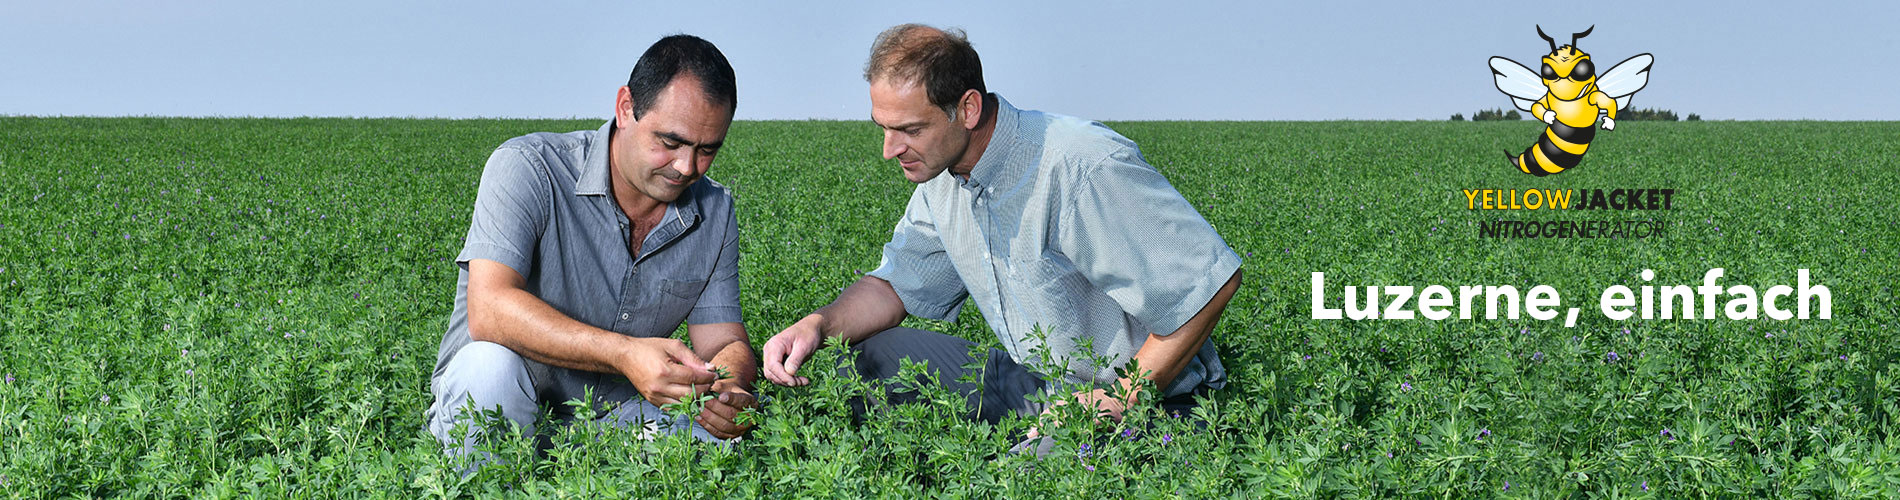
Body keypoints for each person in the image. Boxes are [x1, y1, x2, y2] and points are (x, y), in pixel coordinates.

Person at [761, 24, 1243, 440]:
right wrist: (817, 325)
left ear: (968, 109)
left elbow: (1208, 285)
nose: (890, 149)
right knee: (864, 358)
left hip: (1153, 403)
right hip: (1043, 387)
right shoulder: (943, 179)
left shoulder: (1079, 164)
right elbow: (895, 285)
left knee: (1025, 480)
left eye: (909, 129)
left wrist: (1122, 398)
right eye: (882, 127)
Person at [425, 35, 757, 464]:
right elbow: (488, 309)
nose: (686, 167)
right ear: (625, 108)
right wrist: (624, 354)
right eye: (670, 142)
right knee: (487, 371)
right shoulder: (529, 167)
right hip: (515, 400)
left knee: (725, 446)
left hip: (620, 418)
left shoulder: (715, 210)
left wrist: (728, 388)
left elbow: (724, 340)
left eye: (707, 150)